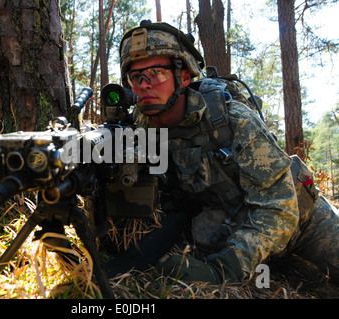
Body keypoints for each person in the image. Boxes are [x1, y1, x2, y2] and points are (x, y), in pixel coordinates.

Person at [104, 20, 339, 284]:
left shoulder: (231, 119)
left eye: (156, 73)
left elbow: (279, 208)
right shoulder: (139, 128)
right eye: (136, 77)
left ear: (184, 76)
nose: (144, 84)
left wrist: (222, 270)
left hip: (303, 222)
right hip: (229, 227)